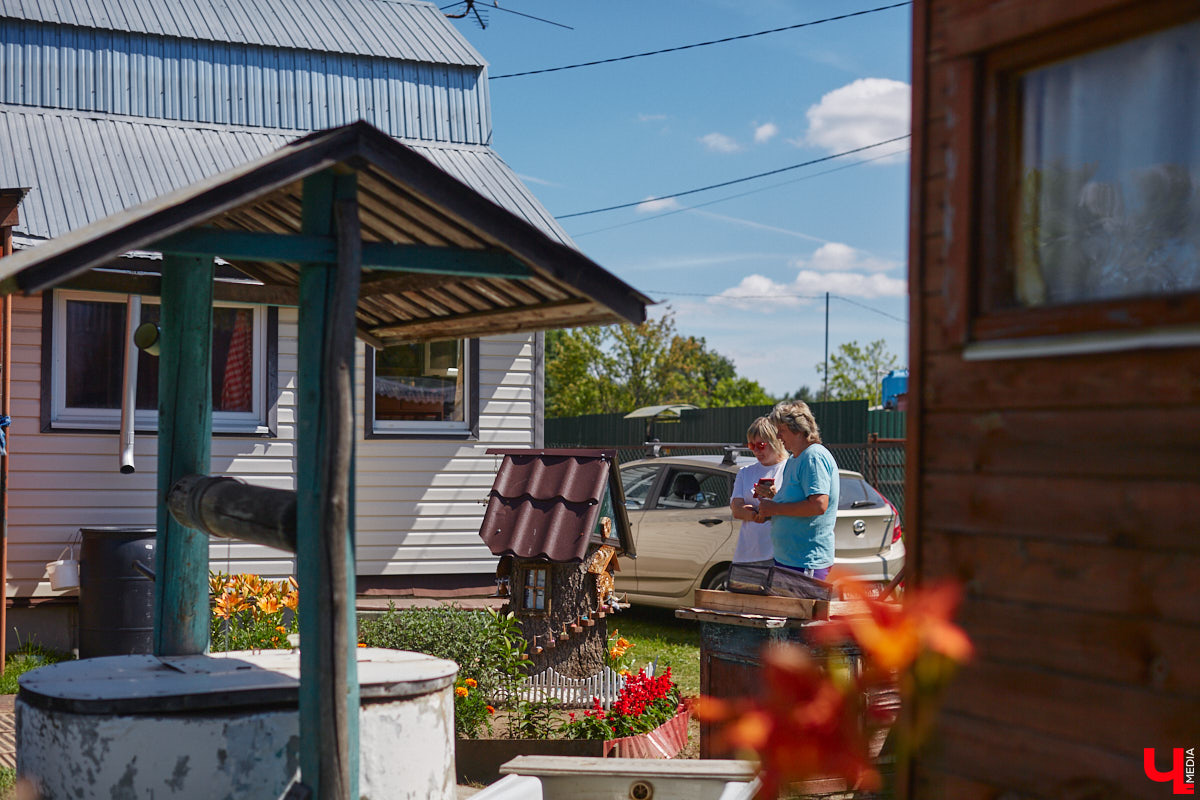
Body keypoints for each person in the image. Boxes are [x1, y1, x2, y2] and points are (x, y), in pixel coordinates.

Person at [757, 401, 839, 581]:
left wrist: (774, 508)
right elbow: (798, 500)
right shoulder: (795, 459)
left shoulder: (813, 456)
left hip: (806, 562)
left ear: (799, 429)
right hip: (789, 559)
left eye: (782, 430)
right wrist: (774, 496)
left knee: (804, 610)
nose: (778, 436)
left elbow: (818, 505)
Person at [729, 417, 787, 566]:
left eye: (761, 445)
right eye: (751, 445)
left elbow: (796, 506)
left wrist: (775, 497)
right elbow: (736, 508)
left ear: (776, 442)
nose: (755, 450)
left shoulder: (790, 469)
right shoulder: (745, 472)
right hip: (748, 553)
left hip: (779, 553)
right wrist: (756, 515)